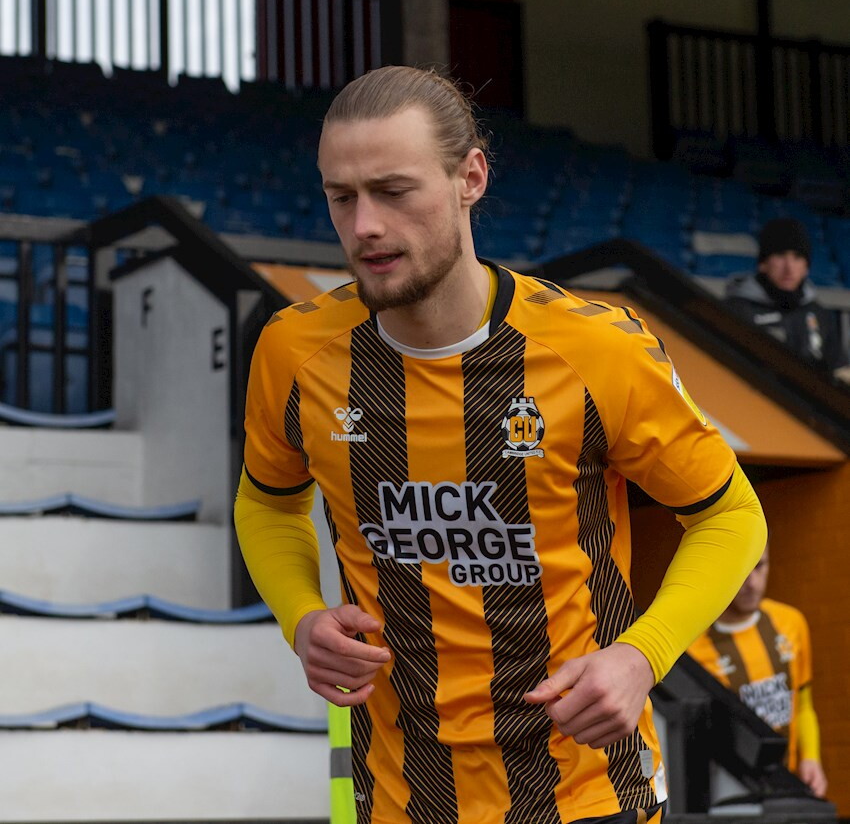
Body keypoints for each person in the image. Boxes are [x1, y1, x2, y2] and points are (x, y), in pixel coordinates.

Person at [234, 65, 766, 824]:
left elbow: (731, 517)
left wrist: (640, 657)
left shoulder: (597, 350)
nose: (365, 226)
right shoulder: (293, 352)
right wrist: (301, 616)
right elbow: (267, 504)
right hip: (396, 797)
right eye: (341, 198)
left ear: (470, 178)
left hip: (588, 794)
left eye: (393, 190)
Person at [688, 546, 827, 798]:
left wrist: (811, 757)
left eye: (759, 565)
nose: (751, 582)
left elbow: (803, 705)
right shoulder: (694, 647)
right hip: (733, 797)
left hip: (790, 786)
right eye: (741, 568)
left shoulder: (791, 622)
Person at [725, 217, 850, 382]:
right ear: (763, 263)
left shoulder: (820, 314)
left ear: (806, 268)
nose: (789, 267)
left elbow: (839, 369)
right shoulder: (736, 310)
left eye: (797, 257)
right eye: (780, 255)